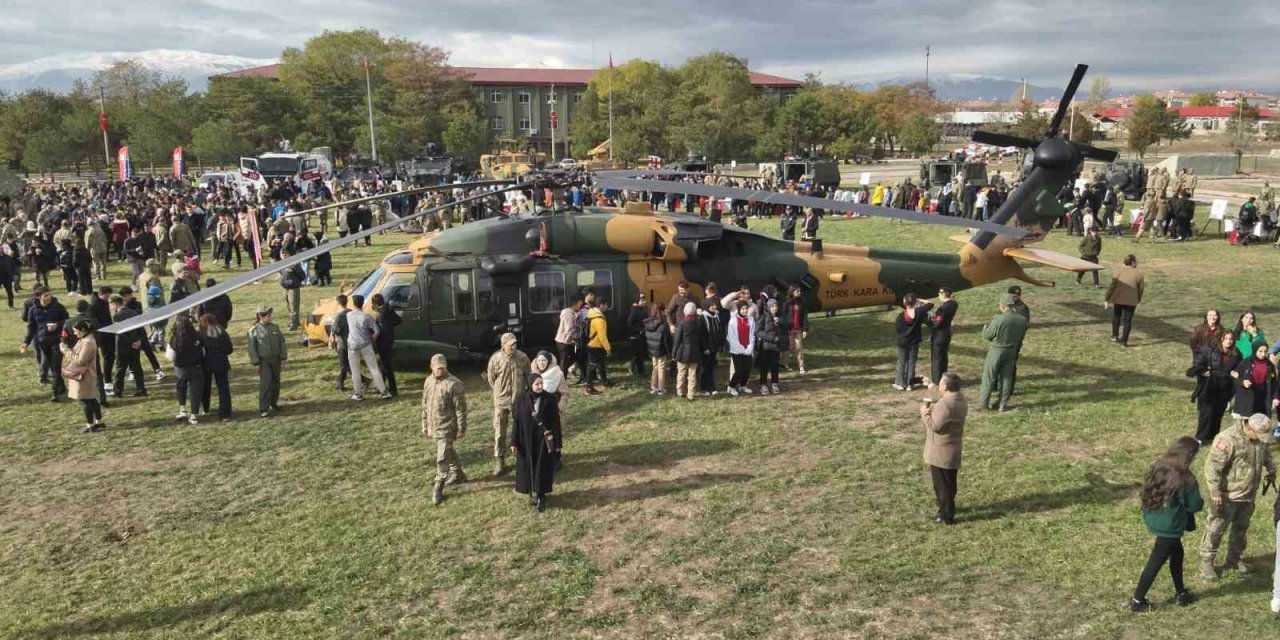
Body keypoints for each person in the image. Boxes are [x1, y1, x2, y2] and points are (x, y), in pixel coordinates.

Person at [1129, 437, 1203, 612]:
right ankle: (1137, 601)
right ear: (1189, 455)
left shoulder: (1160, 466)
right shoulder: (1185, 478)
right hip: (1170, 527)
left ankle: (1181, 592)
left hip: (1155, 518)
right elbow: (1194, 505)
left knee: (1177, 553)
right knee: (1155, 562)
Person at [1200, 413, 1275, 580]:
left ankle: (1233, 560)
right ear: (1249, 428)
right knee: (1216, 529)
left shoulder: (1259, 438)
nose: (1262, 439)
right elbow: (1212, 468)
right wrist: (1215, 491)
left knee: (1240, 530)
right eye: (1259, 435)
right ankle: (1207, 562)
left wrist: (1271, 469)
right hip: (1227, 496)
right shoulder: (1227, 439)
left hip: (1248, 495)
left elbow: (1266, 453)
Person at [422, 353, 469, 506]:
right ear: (431, 367)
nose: (440, 371)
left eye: (443, 368)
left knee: (442, 457)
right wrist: (425, 424)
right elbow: (425, 404)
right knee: (447, 450)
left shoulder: (453, 384)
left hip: (447, 427)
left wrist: (461, 428)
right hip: (434, 426)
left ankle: (438, 487)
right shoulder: (428, 381)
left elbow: (461, 409)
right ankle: (458, 474)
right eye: (437, 368)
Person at [512, 373, 563, 512]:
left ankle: (541, 495)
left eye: (541, 383)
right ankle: (531, 491)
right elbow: (516, 422)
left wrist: (558, 443)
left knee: (541, 468)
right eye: (537, 384)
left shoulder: (550, 399)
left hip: (542, 442)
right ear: (530, 385)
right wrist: (513, 442)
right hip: (526, 441)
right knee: (528, 467)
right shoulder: (521, 401)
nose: (540, 386)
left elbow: (555, 423)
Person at [921, 372, 968, 525]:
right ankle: (948, 507)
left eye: (940, 383)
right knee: (949, 482)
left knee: (942, 485)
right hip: (952, 450)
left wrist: (924, 412)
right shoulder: (959, 399)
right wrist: (930, 385)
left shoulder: (945, 405)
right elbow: (945, 397)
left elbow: (934, 425)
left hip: (940, 452)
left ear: (946, 386)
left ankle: (945, 515)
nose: (939, 385)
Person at [485, 332, 530, 476]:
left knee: (521, 431)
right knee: (499, 432)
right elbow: (492, 379)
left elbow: (529, 376)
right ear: (503, 345)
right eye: (510, 345)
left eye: (515, 344)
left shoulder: (522, 357)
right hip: (501, 401)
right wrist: (501, 392)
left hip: (519, 401)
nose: (513, 347)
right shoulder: (495, 359)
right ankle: (500, 460)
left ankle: (522, 460)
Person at [1187, 331, 1240, 445]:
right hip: (1209, 385)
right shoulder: (1210, 350)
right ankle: (1200, 437)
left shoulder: (1236, 354)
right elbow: (1198, 364)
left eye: (1230, 339)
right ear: (1221, 339)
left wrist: (1236, 373)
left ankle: (1212, 436)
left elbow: (1239, 369)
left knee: (1217, 413)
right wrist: (1202, 371)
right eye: (1226, 338)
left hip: (1225, 387)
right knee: (1206, 412)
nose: (1228, 341)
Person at [978, 294, 1029, 412]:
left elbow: (988, 335)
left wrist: (985, 328)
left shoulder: (998, 319)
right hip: (1012, 350)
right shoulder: (1022, 319)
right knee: (1007, 377)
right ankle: (1002, 404)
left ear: (1003, 306)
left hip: (996, 349)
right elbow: (1021, 335)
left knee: (989, 376)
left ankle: (983, 404)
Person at [21, 289, 69, 401]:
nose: (49, 297)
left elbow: (67, 319)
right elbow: (31, 327)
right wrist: (26, 342)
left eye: (49, 295)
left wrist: (57, 325)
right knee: (53, 367)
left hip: (57, 340)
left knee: (56, 367)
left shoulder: (58, 307)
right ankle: (61, 387)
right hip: (43, 342)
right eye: (46, 295)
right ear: (39, 297)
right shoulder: (33, 310)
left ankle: (54, 393)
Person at [61, 320, 105, 433]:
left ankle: (90, 425)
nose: (75, 334)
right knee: (91, 399)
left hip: (85, 376)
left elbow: (81, 360)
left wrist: (66, 351)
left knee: (86, 401)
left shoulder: (88, 342)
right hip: (86, 374)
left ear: (83, 330)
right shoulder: (85, 339)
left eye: (76, 331)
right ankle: (99, 422)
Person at [345, 294, 390, 401]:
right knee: (374, 369)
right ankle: (383, 391)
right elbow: (377, 331)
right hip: (365, 344)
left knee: (355, 370)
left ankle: (358, 393)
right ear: (363, 303)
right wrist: (372, 340)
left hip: (352, 345)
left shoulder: (348, 315)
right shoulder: (366, 316)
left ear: (353, 303)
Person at [247, 305, 287, 418]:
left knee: (276, 381)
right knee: (266, 383)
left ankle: (273, 403)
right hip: (263, 361)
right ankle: (263, 408)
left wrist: (283, 357)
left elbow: (282, 343)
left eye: (269, 315)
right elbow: (252, 348)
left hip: (275, 359)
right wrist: (256, 363)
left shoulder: (275, 327)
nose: (269, 317)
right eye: (266, 315)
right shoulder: (253, 330)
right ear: (260, 316)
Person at [168, 313, 204, 425]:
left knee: (181, 387)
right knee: (195, 392)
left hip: (181, 368)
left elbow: (170, 356)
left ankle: (182, 409)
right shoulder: (198, 336)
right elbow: (203, 352)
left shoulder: (174, 339)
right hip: (196, 367)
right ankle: (193, 416)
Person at [108, 295, 147, 397]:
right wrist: (138, 341)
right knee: (137, 368)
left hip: (123, 347)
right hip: (135, 345)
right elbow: (140, 329)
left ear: (115, 303)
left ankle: (118, 391)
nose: (110, 307)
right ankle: (141, 389)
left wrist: (131, 343)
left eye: (110, 304)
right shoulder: (134, 312)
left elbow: (121, 333)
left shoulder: (117, 316)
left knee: (120, 370)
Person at [1105, 254, 1145, 348]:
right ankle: (1124, 342)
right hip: (1131, 300)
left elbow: (1112, 286)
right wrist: (1138, 298)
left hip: (1118, 298)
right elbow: (1141, 288)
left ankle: (1114, 335)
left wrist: (1107, 298)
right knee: (1127, 320)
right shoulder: (1139, 273)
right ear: (1133, 262)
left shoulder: (1119, 271)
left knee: (1116, 316)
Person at [199, 313, 233, 421]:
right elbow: (229, 349)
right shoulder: (223, 333)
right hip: (222, 362)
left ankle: (205, 408)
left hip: (207, 364)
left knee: (205, 387)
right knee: (223, 388)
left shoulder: (201, 334)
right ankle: (225, 412)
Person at [1231, 341, 1278, 420]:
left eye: (1265, 351)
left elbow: (1273, 383)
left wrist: (1275, 397)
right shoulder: (1245, 363)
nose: (1263, 354)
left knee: (1259, 423)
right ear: (1254, 350)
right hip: (1247, 398)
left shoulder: (1269, 365)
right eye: (1260, 351)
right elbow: (1235, 378)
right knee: (1246, 424)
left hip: (1262, 399)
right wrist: (1243, 382)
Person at [893, 293, 931, 391]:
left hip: (902, 342)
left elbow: (898, 329)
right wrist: (920, 299)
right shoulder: (919, 312)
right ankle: (910, 384)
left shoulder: (901, 316)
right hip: (914, 341)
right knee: (911, 363)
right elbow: (930, 304)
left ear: (904, 303)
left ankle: (900, 384)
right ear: (914, 303)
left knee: (901, 362)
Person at [671, 302, 706, 402]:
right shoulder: (698, 323)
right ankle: (691, 394)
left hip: (682, 352)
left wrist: (673, 353)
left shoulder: (682, 323)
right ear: (694, 311)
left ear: (685, 312)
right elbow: (701, 338)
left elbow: (677, 340)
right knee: (692, 374)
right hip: (694, 352)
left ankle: (680, 392)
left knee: (681, 373)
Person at [928, 288, 958, 389]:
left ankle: (936, 380)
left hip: (939, 335)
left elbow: (937, 323)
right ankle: (944, 377)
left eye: (940, 294)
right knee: (944, 356)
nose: (939, 296)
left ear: (943, 294)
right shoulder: (953, 304)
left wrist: (931, 321)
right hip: (946, 333)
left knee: (937, 358)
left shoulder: (943, 308)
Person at [372, 293, 401, 397]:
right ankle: (381, 385)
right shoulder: (388, 310)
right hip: (390, 341)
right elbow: (399, 320)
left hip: (383, 343)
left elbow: (382, 331)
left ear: (375, 303)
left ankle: (393, 389)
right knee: (384, 365)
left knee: (387, 367)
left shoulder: (381, 315)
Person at [755, 298, 786, 395]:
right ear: (768, 307)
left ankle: (774, 383)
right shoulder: (763, 317)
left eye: (776, 306)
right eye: (772, 306)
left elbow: (788, 325)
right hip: (765, 346)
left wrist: (780, 322)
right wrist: (771, 338)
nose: (774, 308)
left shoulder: (780, 317)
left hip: (776, 347)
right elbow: (758, 331)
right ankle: (763, 385)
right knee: (764, 367)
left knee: (775, 366)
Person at [726, 300, 756, 396]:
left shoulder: (751, 320)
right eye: (742, 309)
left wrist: (750, 347)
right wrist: (741, 349)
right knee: (739, 370)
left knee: (747, 368)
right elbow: (732, 337)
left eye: (746, 309)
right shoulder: (733, 320)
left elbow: (752, 335)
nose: (745, 311)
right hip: (736, 350)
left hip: (748, 349)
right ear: (739, 309)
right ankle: (731, 386)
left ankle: (743, 385)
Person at [698, 298, 726, 396]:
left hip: (714, 347)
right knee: (704, 368)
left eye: (715, 305)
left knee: (711, 367)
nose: (714, 307)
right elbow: (702, 335)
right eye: (712, 305)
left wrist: (721, 344)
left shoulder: (717, 315)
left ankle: (711, 386)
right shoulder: (702, 318)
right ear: (706, 306)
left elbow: (720, 330)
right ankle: (703, 387)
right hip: (706, 348)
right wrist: (705, 348)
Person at [583, 300, 611, 393]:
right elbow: (602, 336)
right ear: (601, 305)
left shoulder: (591, 314)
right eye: (606, 304)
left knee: (600, 364)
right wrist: (608, 349)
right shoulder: (599, 319)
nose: (607, 306)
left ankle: (604, 381)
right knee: (592, 366)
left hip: (592, 344)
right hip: (595, 346)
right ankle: (589, 387)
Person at [643, 303, 671, 395]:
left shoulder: (647, 323)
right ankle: (661, 388)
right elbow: (666, 340)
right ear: (661, 311)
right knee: (661, 368)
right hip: (661, 349)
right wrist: (669, 351)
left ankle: (653, 387)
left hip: (652, 349)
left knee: (655, 367)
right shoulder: (663, 325)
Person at [782, 286, 809, 374]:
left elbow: (805, 316)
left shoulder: (802, 302)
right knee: (789, 347)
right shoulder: (787, 303)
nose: (799, 292)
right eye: (798, 291)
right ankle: (785, 364)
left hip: (798, 329)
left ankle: (801, 366)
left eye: (800, 290)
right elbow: (783, 316)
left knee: (799, 347)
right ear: (792, 292)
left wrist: (805, 329)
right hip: (789, 329)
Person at [555, 296, 581, 380]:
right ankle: (562, 380)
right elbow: (569, 329)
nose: (580, 306)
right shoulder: (568, 314)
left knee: (570, 359)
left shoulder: (568, 312)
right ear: (575, 304)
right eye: (580, 304)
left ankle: (564, 375)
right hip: (564, 341)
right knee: (565, 361)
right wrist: (573, 339)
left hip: (563, 340)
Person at [279, 249, 305, 331]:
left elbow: (303, 275)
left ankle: (293, 324)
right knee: (288, 306)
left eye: (285, 254)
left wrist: (295, 282)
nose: (284, 256)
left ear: (289, 254)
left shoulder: (294, 264)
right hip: (285, 288)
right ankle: (294, 321)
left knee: (294, 306)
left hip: (293, 288)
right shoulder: (281, 264)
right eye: (282, 255)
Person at [626, 294, 649, 378]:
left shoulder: (643, 308)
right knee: (639, 354)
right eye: (642, 300)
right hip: (635, 335)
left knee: (641, 353)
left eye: (644, 300)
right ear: (637, 302)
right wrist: (638, 330)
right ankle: (641, 372)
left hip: (642, 334)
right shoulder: (634, 309)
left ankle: (631, 364)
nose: (644, 302)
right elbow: (629, 322)